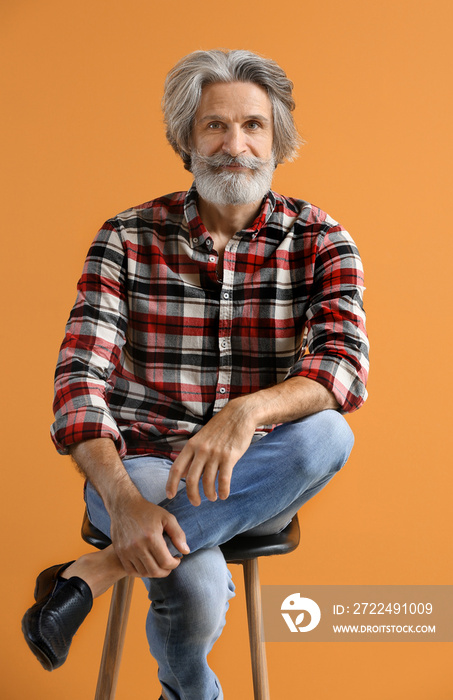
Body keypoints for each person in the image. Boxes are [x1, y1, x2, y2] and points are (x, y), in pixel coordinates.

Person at [22, 49, 369, 700]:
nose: (233, 145)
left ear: (277, 140)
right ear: (186, 137)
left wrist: (244, 414)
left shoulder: (322, 240)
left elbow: (341, 368)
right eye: (213, 126)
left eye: (252, 126)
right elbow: (77, 383)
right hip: (142, 467)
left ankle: (92, 573)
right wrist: (123, 504)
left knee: (329, 434)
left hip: (253, 472)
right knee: (197, 584)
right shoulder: (125, 239)